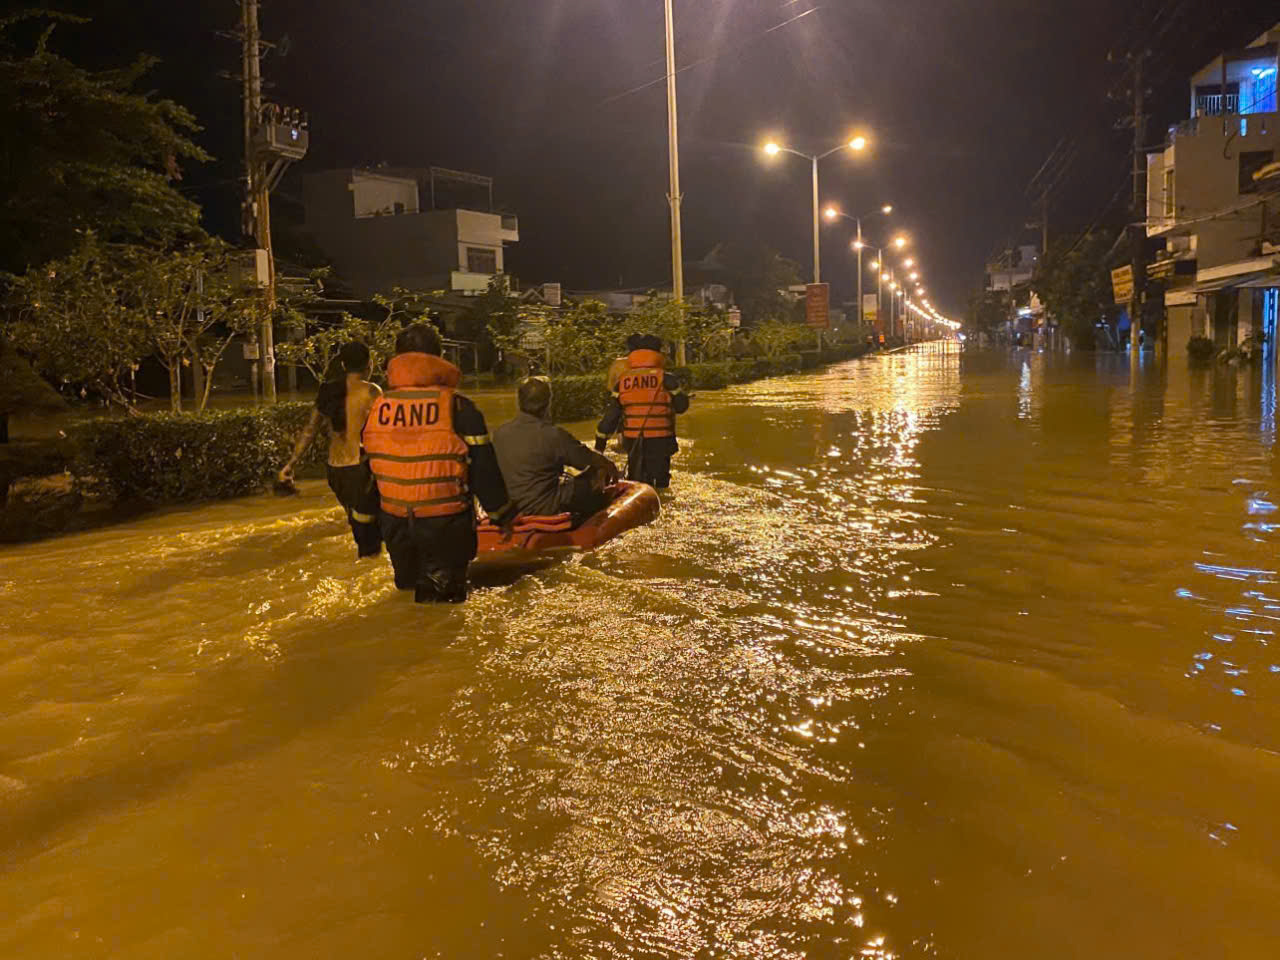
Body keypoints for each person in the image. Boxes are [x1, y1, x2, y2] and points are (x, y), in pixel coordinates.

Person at [362, 323, 516, 603]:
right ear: (439, 357)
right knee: (443, 611)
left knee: (407, 599)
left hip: (396, 526)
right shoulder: (458, 408)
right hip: (444, 525)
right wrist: (502, 514)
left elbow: (369, 473)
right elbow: (484, 467)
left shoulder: (379, 408)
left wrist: (365, 532)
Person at [278, 341, 383, 558]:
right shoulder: (372, 391)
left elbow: (309, 431)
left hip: (335, 472)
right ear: (369, 364)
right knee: (371, 538)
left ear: (343, 365)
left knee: (357, 525)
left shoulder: (327, 392)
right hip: (360, 470)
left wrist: (290, 464)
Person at [493, 377, 621, 523]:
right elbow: (587, 459)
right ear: (548, 403)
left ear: (519, 402)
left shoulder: (499, 434)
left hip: (511, 508)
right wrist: (608, 466)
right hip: (545, 507)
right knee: (597, 472)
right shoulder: (554, 435)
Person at [594, 334, 690, 490]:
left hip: (633, 442)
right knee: (660, 485)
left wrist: (599, 447)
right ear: (658, 354)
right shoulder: (667, 379)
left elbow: (610, 419)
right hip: (661, 442)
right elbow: (682, 407)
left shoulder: (623, 382)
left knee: (636, 485)